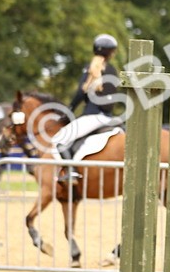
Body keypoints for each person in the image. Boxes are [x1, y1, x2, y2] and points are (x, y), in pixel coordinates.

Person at [53, 34, 123, 183]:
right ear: (110, 53)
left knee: (59, 139)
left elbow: (80, 94)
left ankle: (71, 172)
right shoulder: (112, 70)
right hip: (106, 116)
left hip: (94, 116)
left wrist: (68, 112)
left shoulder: (90, 69)